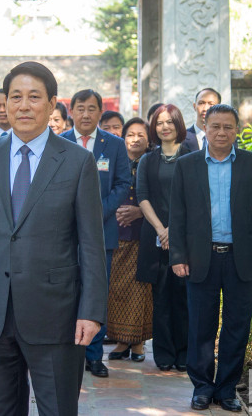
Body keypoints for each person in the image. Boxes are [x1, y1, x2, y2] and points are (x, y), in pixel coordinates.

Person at [0, 61, 107, 416]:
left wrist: (91, 311)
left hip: (57, 313)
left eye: (34, 97)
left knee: (57, 408)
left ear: (52, 104)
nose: (23, 105)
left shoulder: (77, 161)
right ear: (5, 104)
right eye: (15, 97)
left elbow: (91, 244)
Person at [170, 104, 252, 412]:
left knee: (236, 326)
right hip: (201, 259)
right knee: (201, 327)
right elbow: (177, 214)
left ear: (237, 130)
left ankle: (227, 388)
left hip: (241, 259)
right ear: (204, 127)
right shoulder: (187, 165)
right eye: (215, 126)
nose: (221, 132)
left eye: (228, 127)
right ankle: (202, 387)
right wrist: (177, 255)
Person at [61, 89, 130, 378]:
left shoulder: (113, 144)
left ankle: (94, 356)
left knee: (96, 293)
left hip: (102, 232)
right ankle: (67, 353)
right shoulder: (59, 142)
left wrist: (97, 213)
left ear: (100, 111)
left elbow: (123, 183)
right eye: (80, 108)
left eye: (92, 108)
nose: (86, 114)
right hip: (63, 234)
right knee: (65, 292)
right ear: (71, 112)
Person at [135, 104, 191, 373]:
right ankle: (164, 353)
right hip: (156, 237)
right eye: (159, 123)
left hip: (187, 238)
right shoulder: (148, 160)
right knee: (161, 297)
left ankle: (184, 353)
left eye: (170, 122)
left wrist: (175, 230)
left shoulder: (193, 156)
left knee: (184, 297)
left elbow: (197, 199)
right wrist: (161, 229)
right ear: (153, 128)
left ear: (178, 124)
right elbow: (143, 196)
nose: (165, 126)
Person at [106, 118, 153, 363]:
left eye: (140, 135)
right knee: (116, 288)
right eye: (130, 134)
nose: (135, 139)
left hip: (143, 234)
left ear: (148, 139)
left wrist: (139, 212)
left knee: (139, 289)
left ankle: (138, 342)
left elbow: (163, 197)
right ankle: (121, 340)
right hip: (114, 232)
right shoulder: (113, 160)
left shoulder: (152, 162)